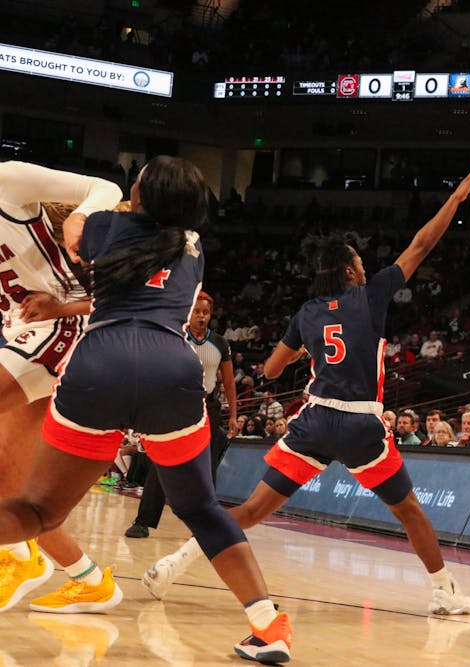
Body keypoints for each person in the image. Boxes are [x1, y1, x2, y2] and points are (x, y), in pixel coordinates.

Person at [141, 162, 470, 617]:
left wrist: (306, 351)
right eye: (359, 262)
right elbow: (421, 244)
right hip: (359, 422)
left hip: (315, 421)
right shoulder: (373, 294)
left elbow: (270, 369)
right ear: (349, 270)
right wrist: (456, 199)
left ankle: (173, 564)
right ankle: (445, 592)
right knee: (411, 513)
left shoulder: (307, 312)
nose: (365, 267)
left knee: (252, 510)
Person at [0, 156, 291, 662]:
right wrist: (65, 300)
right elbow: (130, 288)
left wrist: (75, 232)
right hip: (171, 372)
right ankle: (269, 624)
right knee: (200, 508)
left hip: (100, 367)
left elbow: (77, 236)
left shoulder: (106, 226)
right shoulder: (193, 247)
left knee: (38, 510)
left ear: (138, 196)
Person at [0, 161, 124, 615]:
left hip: (62, 323)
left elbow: (106, 186)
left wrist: (79, 217)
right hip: (20, 335)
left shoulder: (7, 179)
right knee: (11, 489)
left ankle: (16, 555)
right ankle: (89, 580)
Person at [125, 290, 239, 539]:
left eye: (206, 312)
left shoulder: (220, 343)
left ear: (211, 315)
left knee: (207, 470)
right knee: (161, 463)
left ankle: (207, 526)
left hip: (208, 407)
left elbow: (229, 384)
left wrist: (233, 414)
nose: (201, 316)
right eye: (197, 311)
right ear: (189, 313)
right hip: (173, 404)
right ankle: (143, 521)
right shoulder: (174, 336)